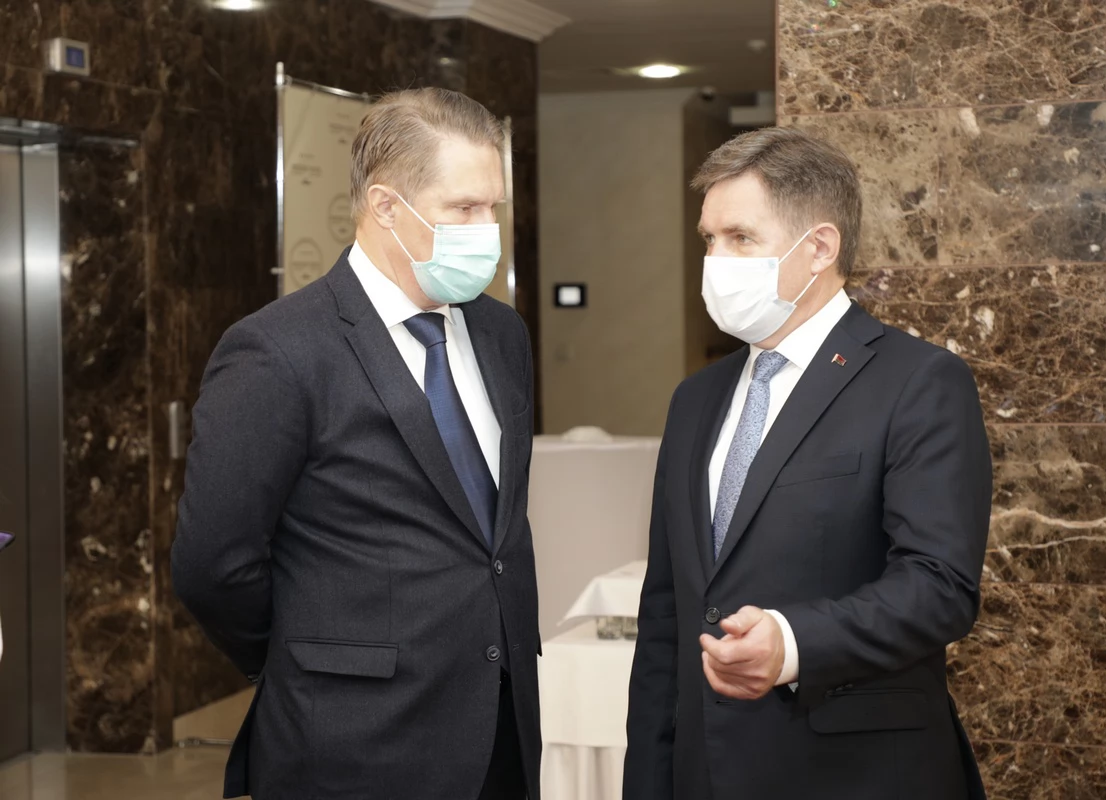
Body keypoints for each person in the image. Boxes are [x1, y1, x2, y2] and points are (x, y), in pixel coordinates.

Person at [173, 88, 539, 800]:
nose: (487, 231)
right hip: (350, 740)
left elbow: (493, 533)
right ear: (385, 206)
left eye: (493, 207)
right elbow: (213, 564)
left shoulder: (502, 334)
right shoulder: (278, 351)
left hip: (500, 726)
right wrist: (308, 655)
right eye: (465, 208)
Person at [623, 127, 992, 800]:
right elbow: (667, 611)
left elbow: (939, 585)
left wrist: (792, 642)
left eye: (740, 238)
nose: (715, 260)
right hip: (705, 774)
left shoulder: (918, 382)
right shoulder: (695, 400)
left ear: (819, 247)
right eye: (708, 239)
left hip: (855, 775)